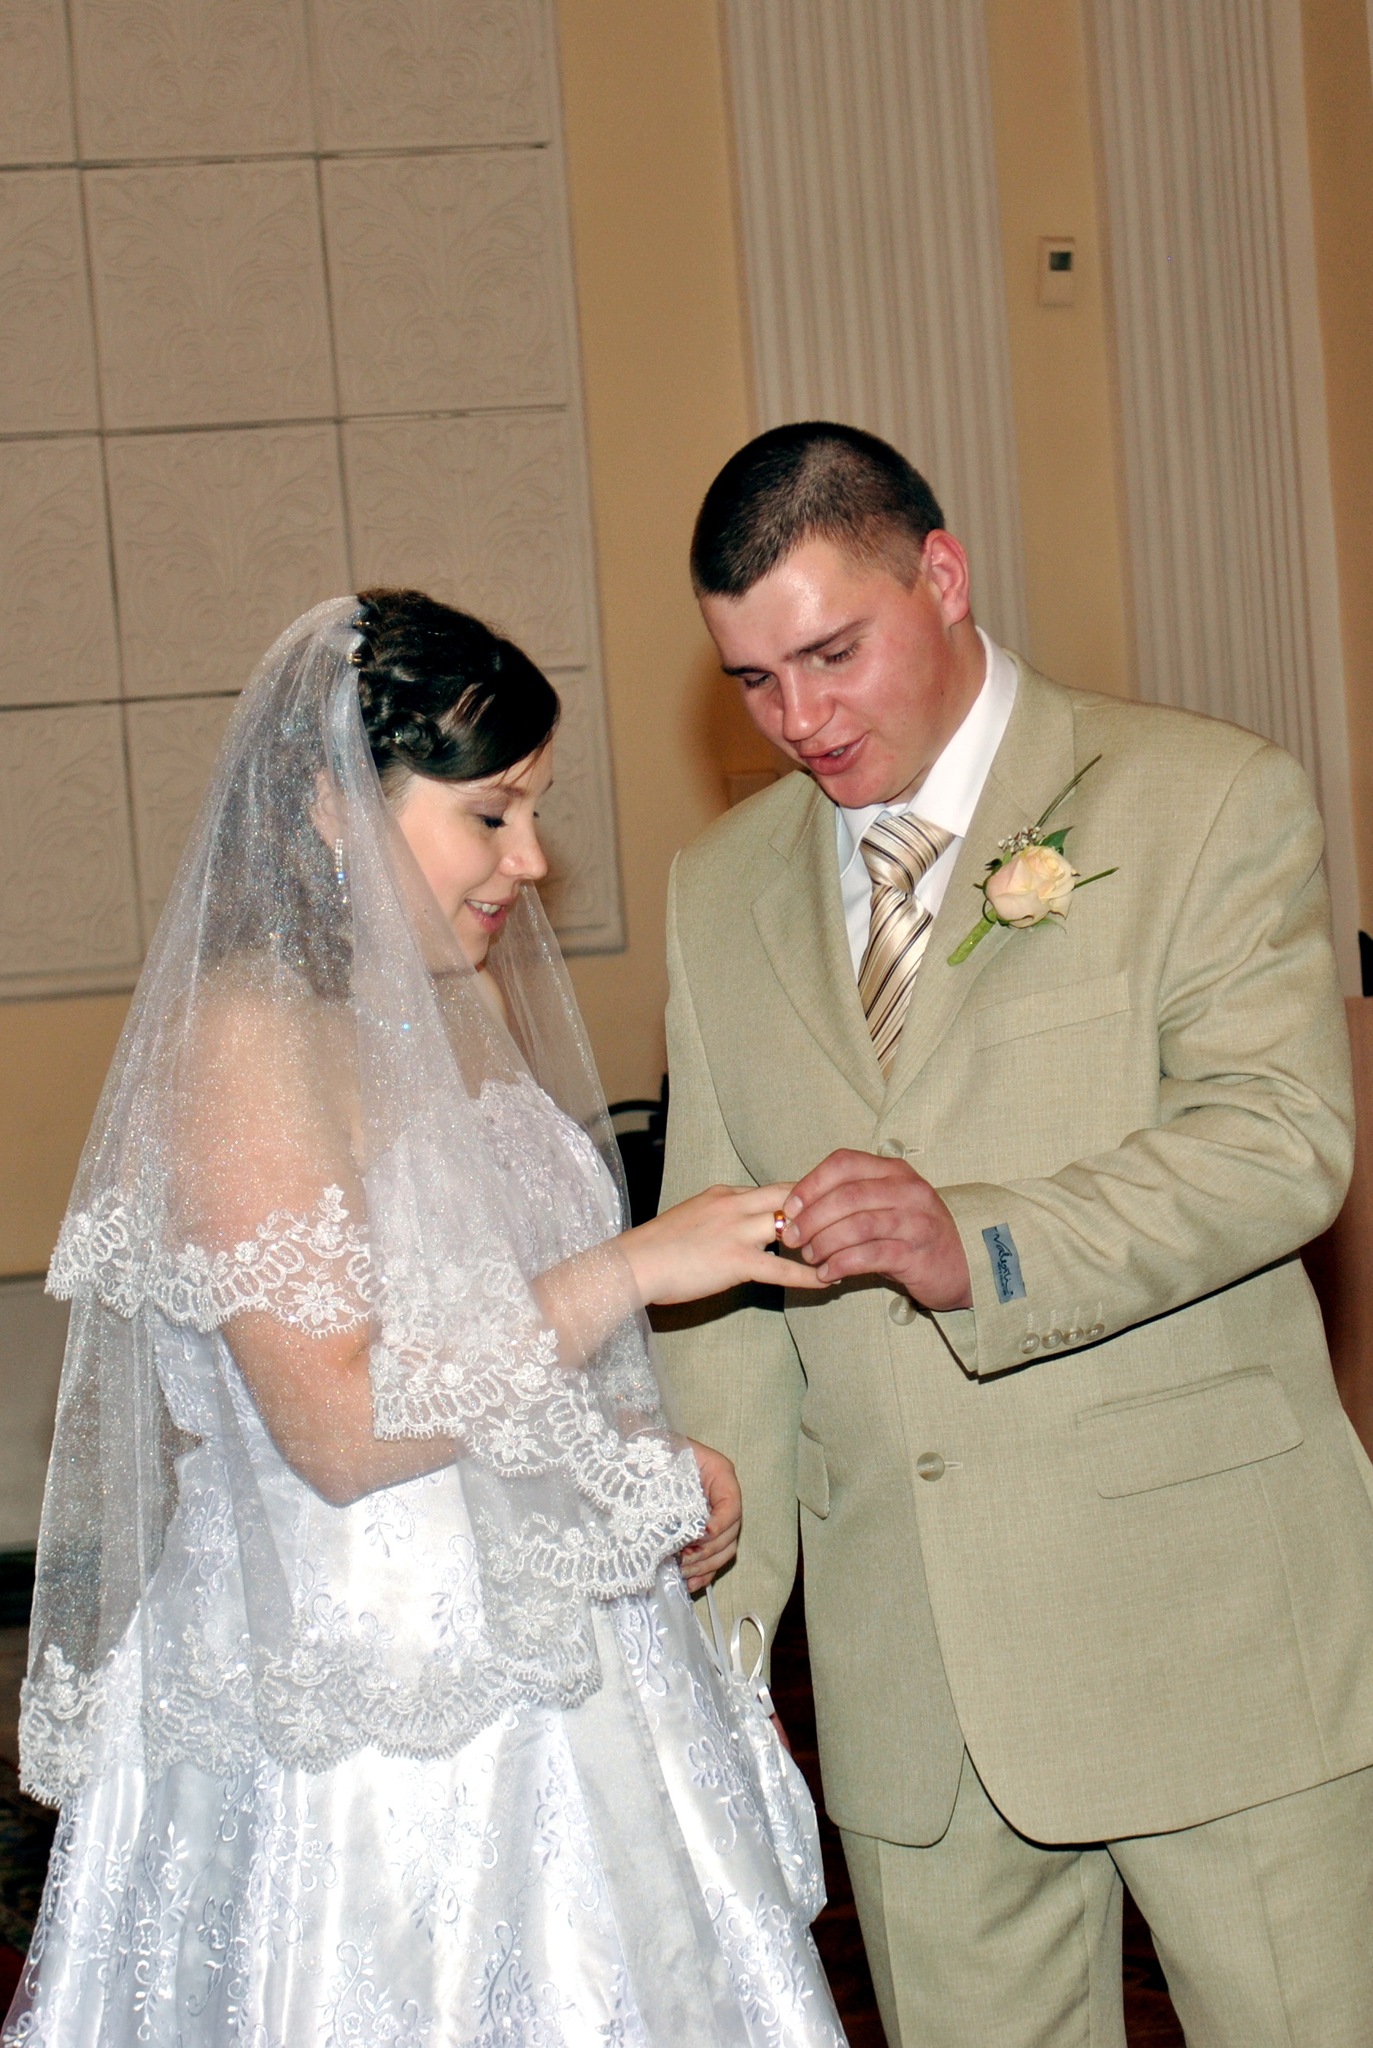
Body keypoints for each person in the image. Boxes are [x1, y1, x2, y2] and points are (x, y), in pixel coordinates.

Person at [6, 591, 846, 2048]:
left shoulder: (447, 1005)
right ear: (338, 806)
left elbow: (483, 1331)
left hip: (563, 1659)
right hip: (372, 1701)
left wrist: (631, 1468)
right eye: (490, 815)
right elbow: (338, 1424)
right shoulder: (245, 1040)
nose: (532, 860)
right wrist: (635, 1267)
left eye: (534, 812)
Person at [655, 421, 1373, 2048]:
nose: (798, 720)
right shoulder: (716, 891)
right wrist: (716, 1641)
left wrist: (977, 1247)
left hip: (1211, 1631)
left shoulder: (1200, 797)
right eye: (753, 681)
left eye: (830, 655)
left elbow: (1276, 1146)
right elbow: (725, 1286)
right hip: (909, 1683)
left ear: (941, 576)